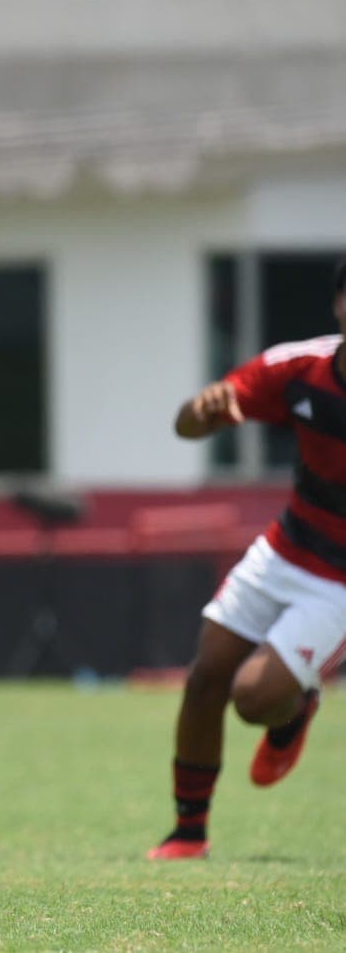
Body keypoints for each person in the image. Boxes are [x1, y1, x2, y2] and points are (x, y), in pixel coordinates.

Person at [146, 260, 346, 861]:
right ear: (339, 304)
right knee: (206, 676)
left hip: (339, 584)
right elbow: (192, 424)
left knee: (253, 699)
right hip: (285, 549)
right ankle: (188, 833)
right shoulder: (298, 368)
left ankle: (296, 706)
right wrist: (202, 410)